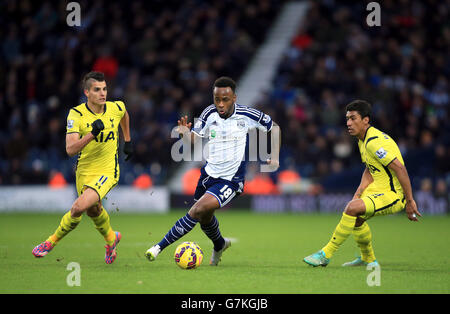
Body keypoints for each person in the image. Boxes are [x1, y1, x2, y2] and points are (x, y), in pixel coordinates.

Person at [145, 76, 280, 265]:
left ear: (234, 98)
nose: (220, 104)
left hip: (231, 180)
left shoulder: (247, 115)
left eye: (225, 99)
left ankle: (158, 247)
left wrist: (274, 156)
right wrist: (184, 135)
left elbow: (273, 127)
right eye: (217, 99)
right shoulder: (209, 113)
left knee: (196, 210)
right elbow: (194, 139)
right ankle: (219, 245)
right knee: (205, 218)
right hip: (208, 176)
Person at [303, 100, 421, 267]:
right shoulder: (362, 140)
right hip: (378, 188)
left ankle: (325, 254)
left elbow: (400, 169)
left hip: (393, 194)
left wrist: (409, 201)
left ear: (366, 120)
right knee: (356, 217)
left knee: (352, 209)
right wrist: (359, 191)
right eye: (347, 119)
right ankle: (368, 259)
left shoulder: (374, 142)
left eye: (353, 118)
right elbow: (369, 168)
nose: (348, 123)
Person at [32, 71, 134, 264]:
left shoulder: (115, 107)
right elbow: (70, 149)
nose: (103, 93)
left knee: (78, 207)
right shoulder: (76, 114)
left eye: (104, 89)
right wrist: (91, 135)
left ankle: (50, 242)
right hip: (84, 172)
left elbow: (124, 114)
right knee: (93, 210)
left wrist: (127, 140)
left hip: (108, 171)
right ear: (87, 92)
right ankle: (112, 238)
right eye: (97, 90)